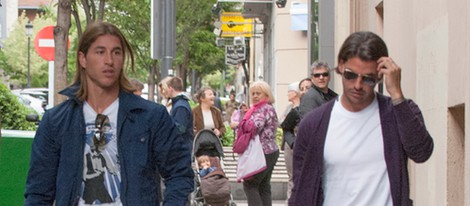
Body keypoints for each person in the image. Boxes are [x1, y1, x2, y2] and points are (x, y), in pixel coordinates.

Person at [24, 21, 194, 205]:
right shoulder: (56, 121)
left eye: (116, 52)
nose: (109, 61)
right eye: (100, 52)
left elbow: (179, 174)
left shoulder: (151, 116)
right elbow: (38, 193)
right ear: (83, 59)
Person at [289, 31, 434, 206]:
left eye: (368, 79)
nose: (357, 85)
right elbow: (301, 190)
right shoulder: (314, 124)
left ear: (380, 76)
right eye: (351, 75)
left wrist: (396, 94)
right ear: (341, 66)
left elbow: (421, 152)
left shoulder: (397, 113)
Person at [241, 80, 279, 206]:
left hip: (262, 152)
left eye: (258, 93)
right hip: (271, 151)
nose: (255, 96)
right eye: (253, 94)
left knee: (250, 184)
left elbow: (254, 126)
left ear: (266, 95)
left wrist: (241, 122)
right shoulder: (269, 108)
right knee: (264, 186)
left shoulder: (262, 109)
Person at [279, 82, 301, 200]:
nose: (287, 94)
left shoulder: (303, 107)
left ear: (295, 92)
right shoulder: (289, 108)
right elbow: (281, 123)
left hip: (299, 143)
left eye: (289, 91)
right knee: (291, 175)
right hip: (289, 144)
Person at [167, 76, 194, 144]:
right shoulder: (181, 103)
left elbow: (180, 129)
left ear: (170, 88)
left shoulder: (180, 106)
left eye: (167, 88)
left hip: (181, 147)